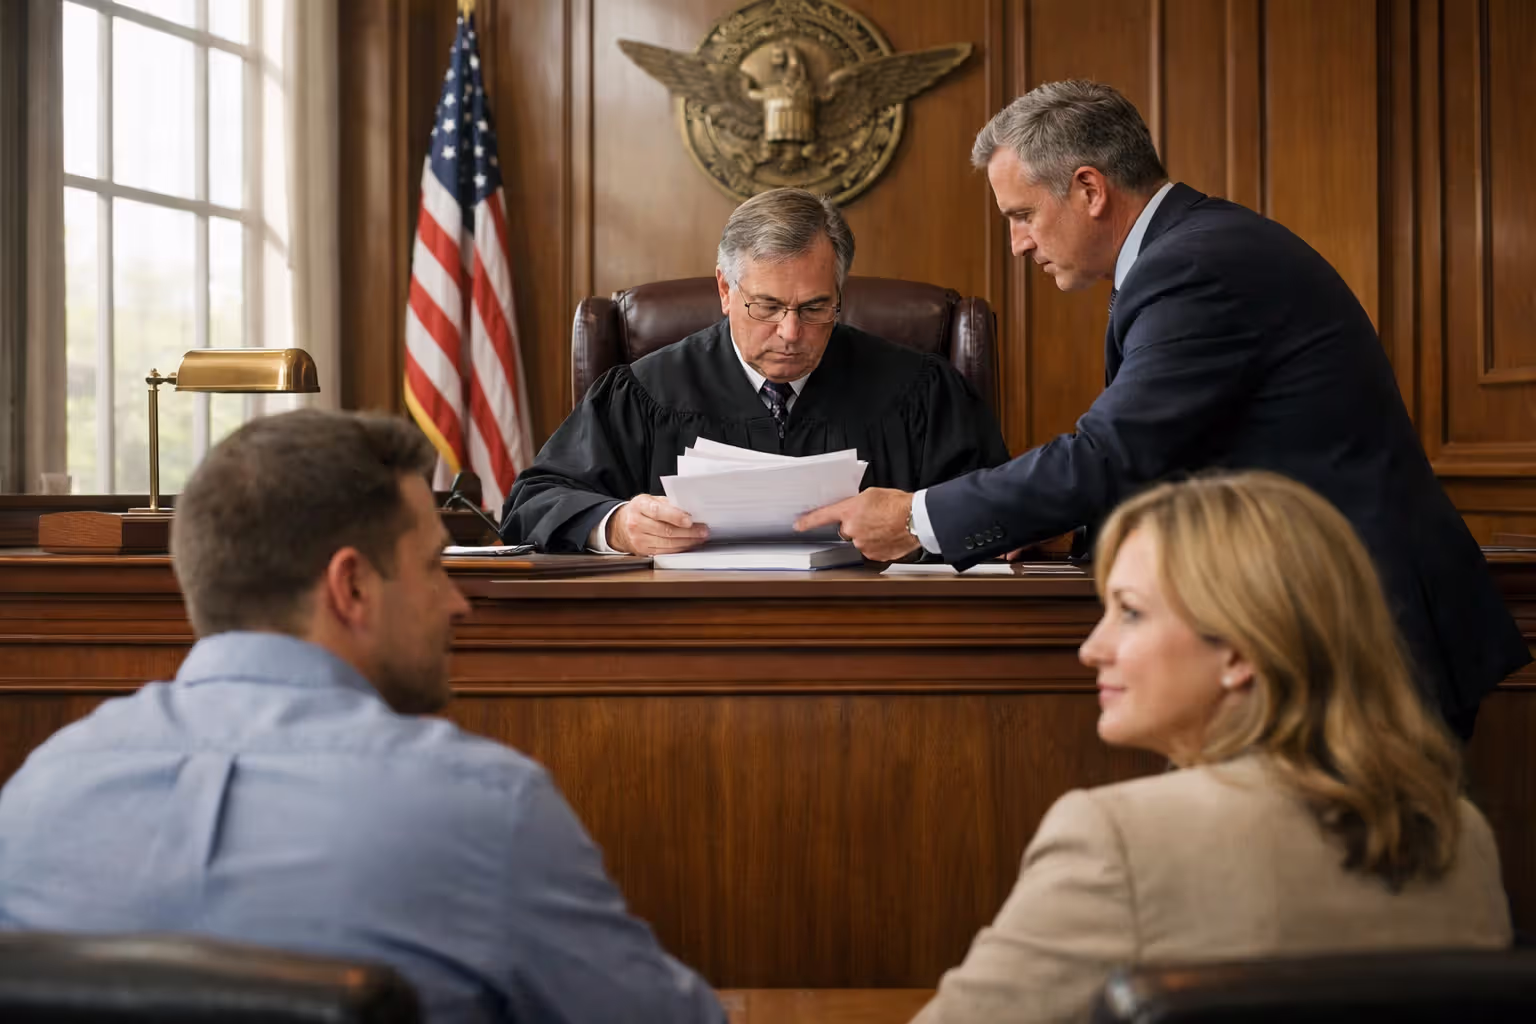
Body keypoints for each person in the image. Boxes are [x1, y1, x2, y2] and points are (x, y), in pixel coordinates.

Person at [800, 80, 1526, 737]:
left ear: (1088, 188)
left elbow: (1114, 451)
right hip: (1344, 620)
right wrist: (1052, 526)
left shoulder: (1194, 267)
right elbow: (1184, 450)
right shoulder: (1196, 248)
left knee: (1352, 882)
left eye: (1022, 215)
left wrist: (916, 519)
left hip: (1359, 632)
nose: (1017, 244)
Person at [0, 410, 724, 1024]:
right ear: (351, 585)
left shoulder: (37, 794)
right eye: (437, 566)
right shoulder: (483, 808)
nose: (458, 602)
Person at [909, 472, 1512, 1024]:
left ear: (1240, 652)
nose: (1093, 648)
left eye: (1131, 613)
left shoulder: (1113, 840)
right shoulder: (1459, 831)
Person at [501, 186, 1009, 556]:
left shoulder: (919, 390)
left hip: (877, 642)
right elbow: (532, 503)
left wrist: (917, 525)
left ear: (840, 296)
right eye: (765, 306)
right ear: (725, 290)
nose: (790, 332)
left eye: (815, 308)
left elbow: (999, 511)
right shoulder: (646, 392)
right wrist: (614, 527)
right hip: (684, 642)